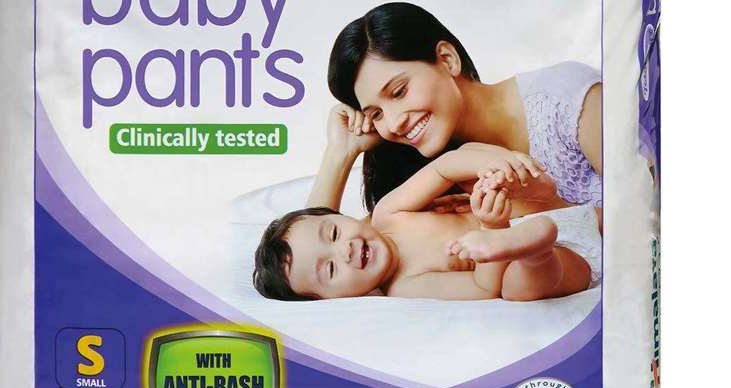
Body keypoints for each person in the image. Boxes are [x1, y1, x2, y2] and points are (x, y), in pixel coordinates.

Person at [252, 115, 599, 302]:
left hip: (546, 213)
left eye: (333, 233)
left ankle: (531, 237)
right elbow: (483, 288)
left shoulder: (388, 213)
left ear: (342, 216)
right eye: (330, 270)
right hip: (550, 260)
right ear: (333, 301)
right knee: (515, 289)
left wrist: (490, 168)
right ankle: (534, 249)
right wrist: (493, 229)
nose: (345, 251)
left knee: (468, 154)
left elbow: (443, 168)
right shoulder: (406, 286)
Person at [327, 2, 601, 213]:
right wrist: (339, 154)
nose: (394, 123)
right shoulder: (437, 176)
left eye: (399, 92)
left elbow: (627, 218)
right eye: (376, 114)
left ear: (447, 59)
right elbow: (316, 257)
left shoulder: (566, 98)